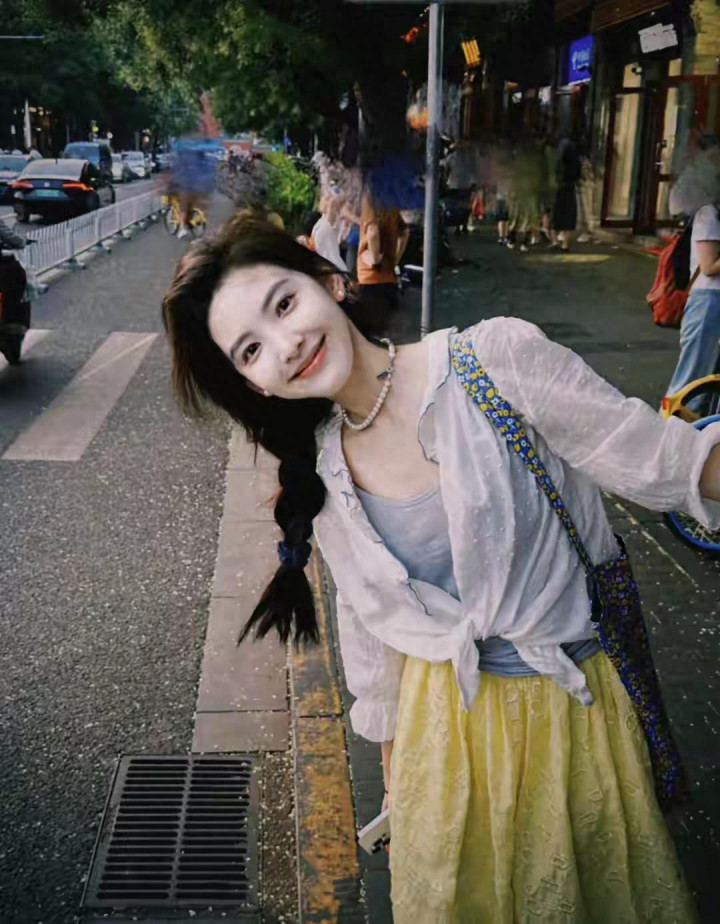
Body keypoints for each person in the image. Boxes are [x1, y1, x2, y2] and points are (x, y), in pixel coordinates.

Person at [162, 210, 720, 924]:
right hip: (440, 738)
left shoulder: (494, 361)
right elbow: (372, 634)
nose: (286, 342)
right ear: (256, 385)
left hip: (568, 716)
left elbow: (662, 460)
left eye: (284, 303)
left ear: (331, 281)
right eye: (251, 350)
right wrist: (397, 783)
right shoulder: (322, 474)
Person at [666, 200, 720, 415]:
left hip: (712, 300)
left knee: (710, 382)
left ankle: (699, 430)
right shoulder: (708, 214)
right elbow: (708, 266)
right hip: (707, 300)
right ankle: (668, 427)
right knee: (691, 376)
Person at [356, 190, 409, 313]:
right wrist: (395, 260)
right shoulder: (393, 204)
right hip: (389, 276)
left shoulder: (369, 199)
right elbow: (405, 232)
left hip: (369, 276)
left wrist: (375, 261)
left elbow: (373, 231)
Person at [551, 136, 581, 252]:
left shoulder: (558, 161)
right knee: (568, 217)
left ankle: (554, 241)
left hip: (558, 189)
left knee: (556, 215)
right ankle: (565, 244)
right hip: (570, 189)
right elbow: (578, 176)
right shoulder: (575, 162)